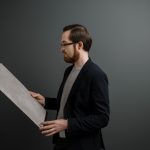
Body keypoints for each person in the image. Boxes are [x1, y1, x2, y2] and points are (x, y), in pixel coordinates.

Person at [30, 24, 110, 150]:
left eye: (64, 44)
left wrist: (67, 124)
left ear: (79, 45)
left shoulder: (96, 75)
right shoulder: (68, 71)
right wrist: (45, 101)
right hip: (62, 143)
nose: (61, 49)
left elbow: (102, 118)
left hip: (83, 146)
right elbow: (68, 104)